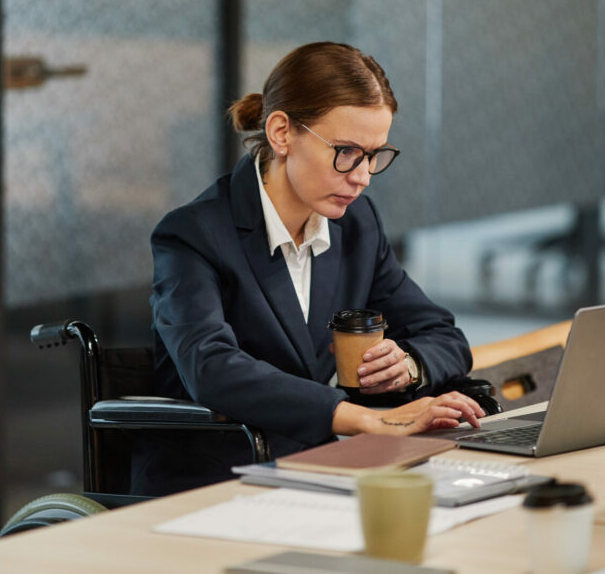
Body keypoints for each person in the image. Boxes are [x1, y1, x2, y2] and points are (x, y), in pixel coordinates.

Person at [131, 42, 484, 496]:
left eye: (374, 155)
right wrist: (365, 419)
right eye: (346, 152)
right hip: (217, 481)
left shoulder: (357, 224)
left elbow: (443, 334)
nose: (361, 176)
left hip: (322, 472)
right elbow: (212, 367)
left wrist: (408, 367)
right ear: (281, 133)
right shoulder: (193, 235)